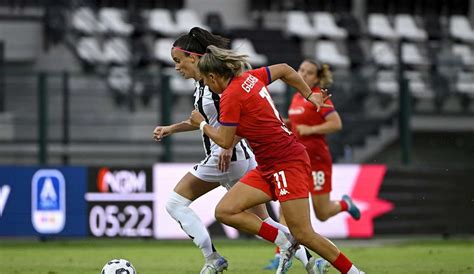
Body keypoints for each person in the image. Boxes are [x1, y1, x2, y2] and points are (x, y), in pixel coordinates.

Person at [153, 27, 321, 274]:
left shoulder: (216, 85)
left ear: (194, 58)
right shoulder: (203, 84)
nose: (177, 67)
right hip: (237, 158)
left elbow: (233, 118)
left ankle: (213, 258)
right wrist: (171, 129)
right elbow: (203, 120)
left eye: (179, 61)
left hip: (225, 158)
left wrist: (227, 145)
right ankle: (311, 261)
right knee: (264, 221)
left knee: (175, 204)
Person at [190, 45, 365, 274]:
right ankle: (285, 241)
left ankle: (354, 272)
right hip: (268, 165)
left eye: (205, 80)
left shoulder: (230, 96)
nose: (206, 85)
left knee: (304, 233)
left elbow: (224, 140)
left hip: (286, 162)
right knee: (225, 211)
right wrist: (309, 93)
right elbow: (284, 69)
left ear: (213, 76)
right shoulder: (249, 77)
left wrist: (200, 124)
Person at [264, 60, 361, 270]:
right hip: (297, 160)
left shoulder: (318, 96)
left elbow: (336, 123)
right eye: (301, 71)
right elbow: (297, 124)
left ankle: (345, 204)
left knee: (323, 213)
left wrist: (311, 129)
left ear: (316, 78)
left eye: (309, 73)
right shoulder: (297, 97)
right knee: (285, 205)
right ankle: (281, 254)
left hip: (317, 161)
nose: (304, 75)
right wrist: (288, 124)